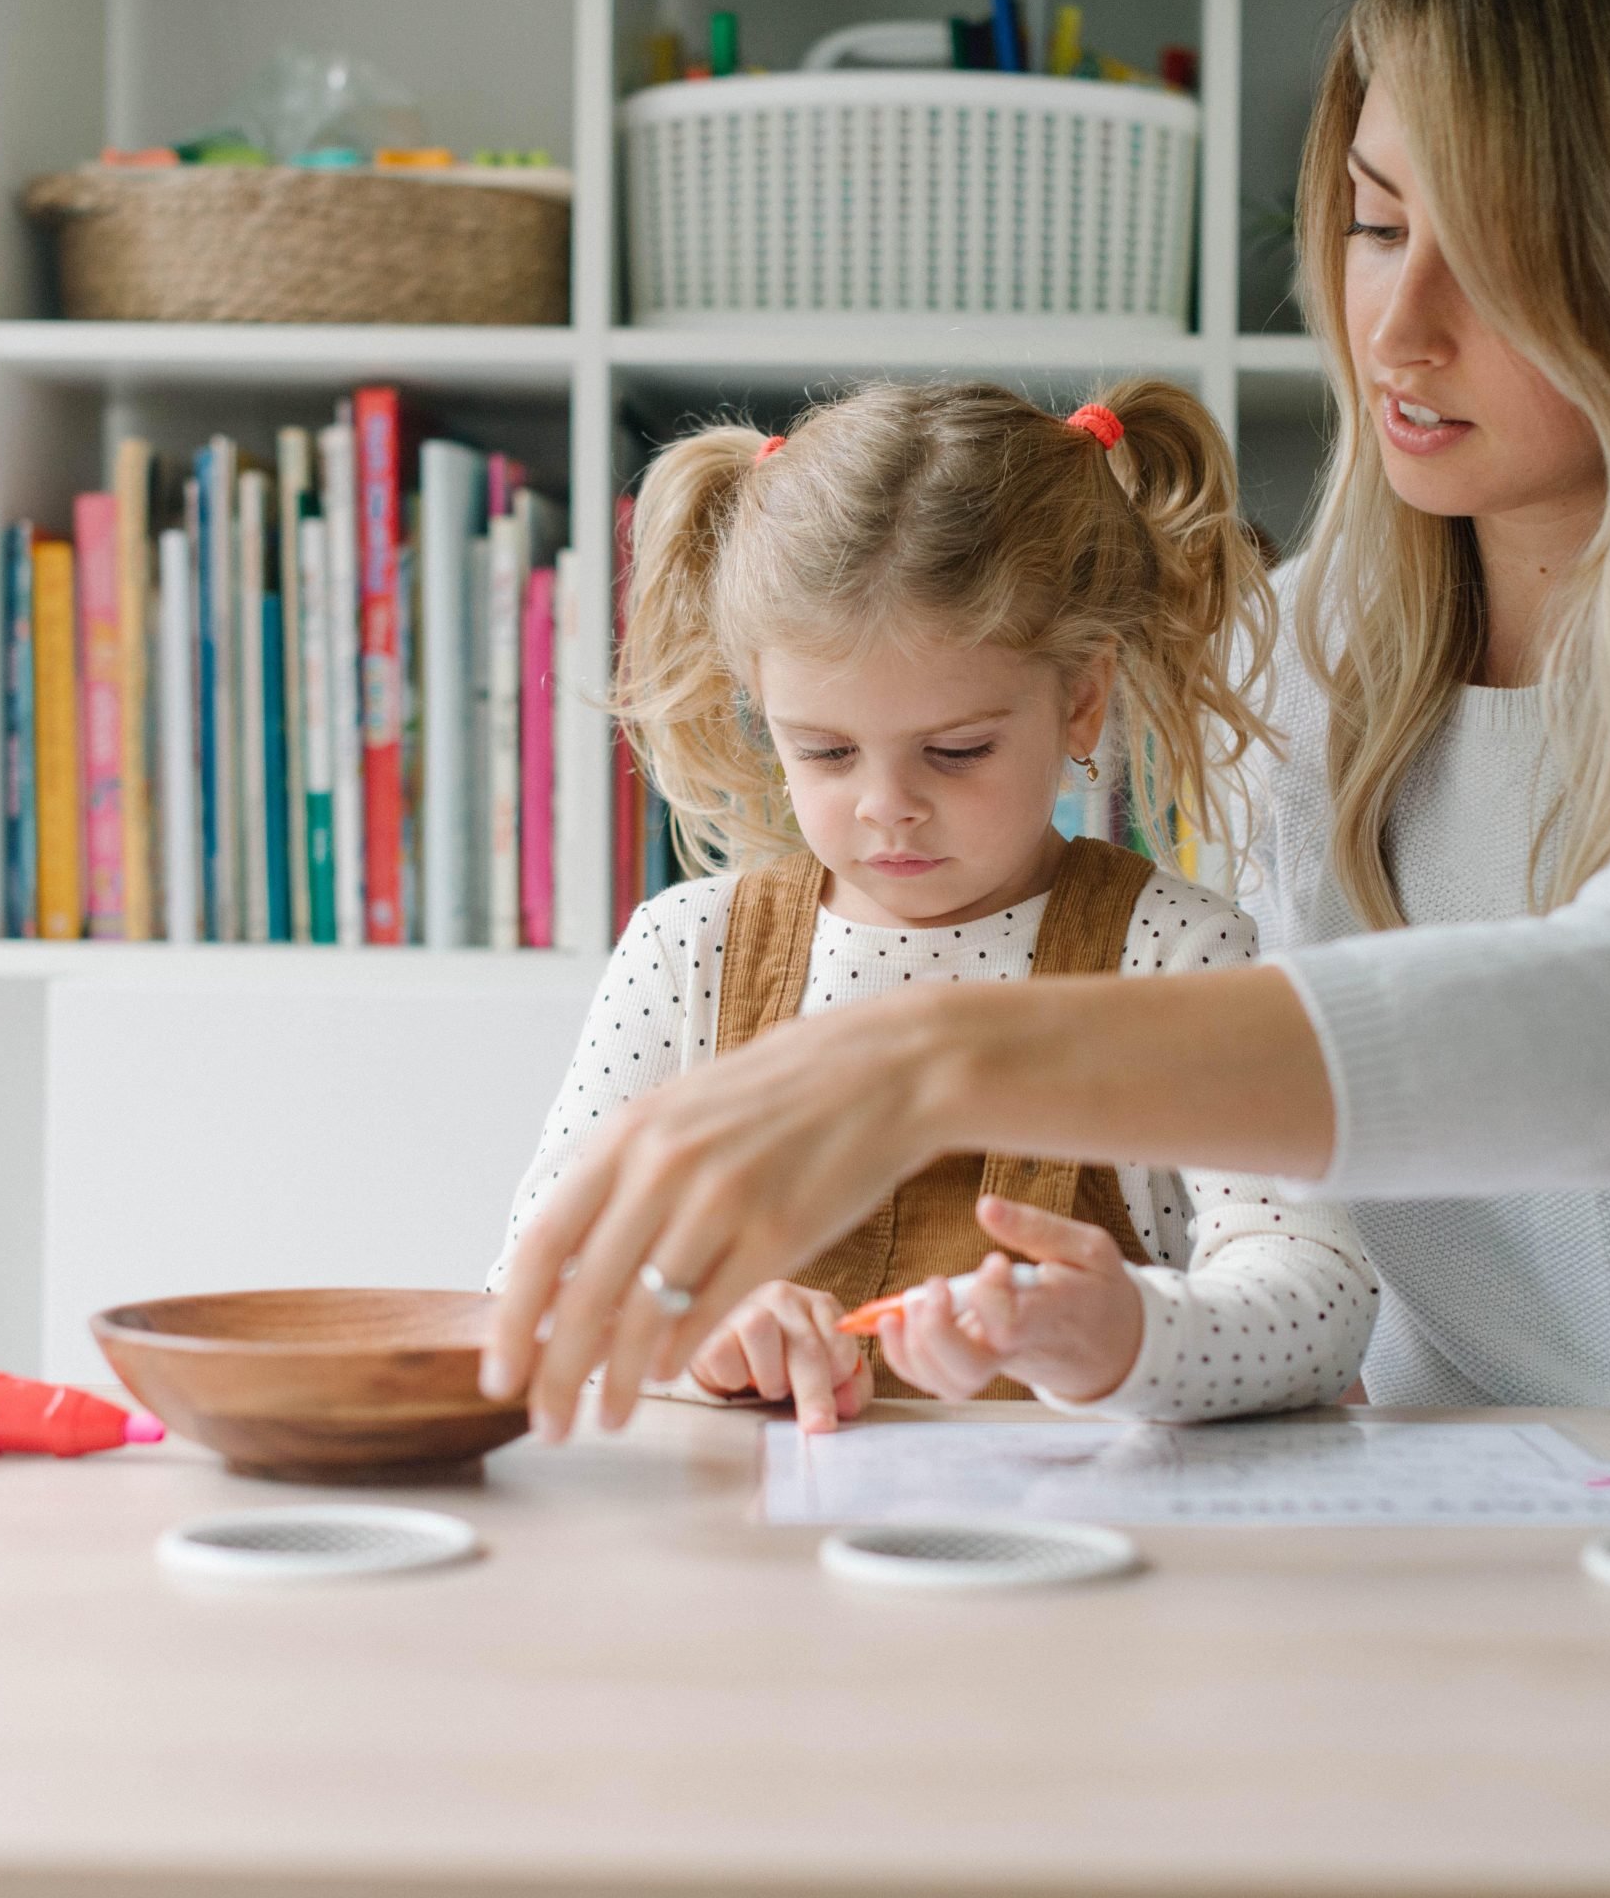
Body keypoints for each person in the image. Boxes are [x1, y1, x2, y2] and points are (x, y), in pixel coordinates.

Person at [483, 0, 1610, 1441]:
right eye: (1379, 225)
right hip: (1459, 1489)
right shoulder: (1312, 642)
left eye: (1507, 257)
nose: (1395, 329)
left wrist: (929, 1053)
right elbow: (1291, 1205)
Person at [486, 378, 1377, 1433]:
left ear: (1081, 698)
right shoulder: (687, 950)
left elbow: (1322, 1300)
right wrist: (700, 1338)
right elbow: (532, 1287)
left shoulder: (1178, 951)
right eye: (822, 751)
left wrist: (1128, 1335)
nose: (887, 808)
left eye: (956, 752)